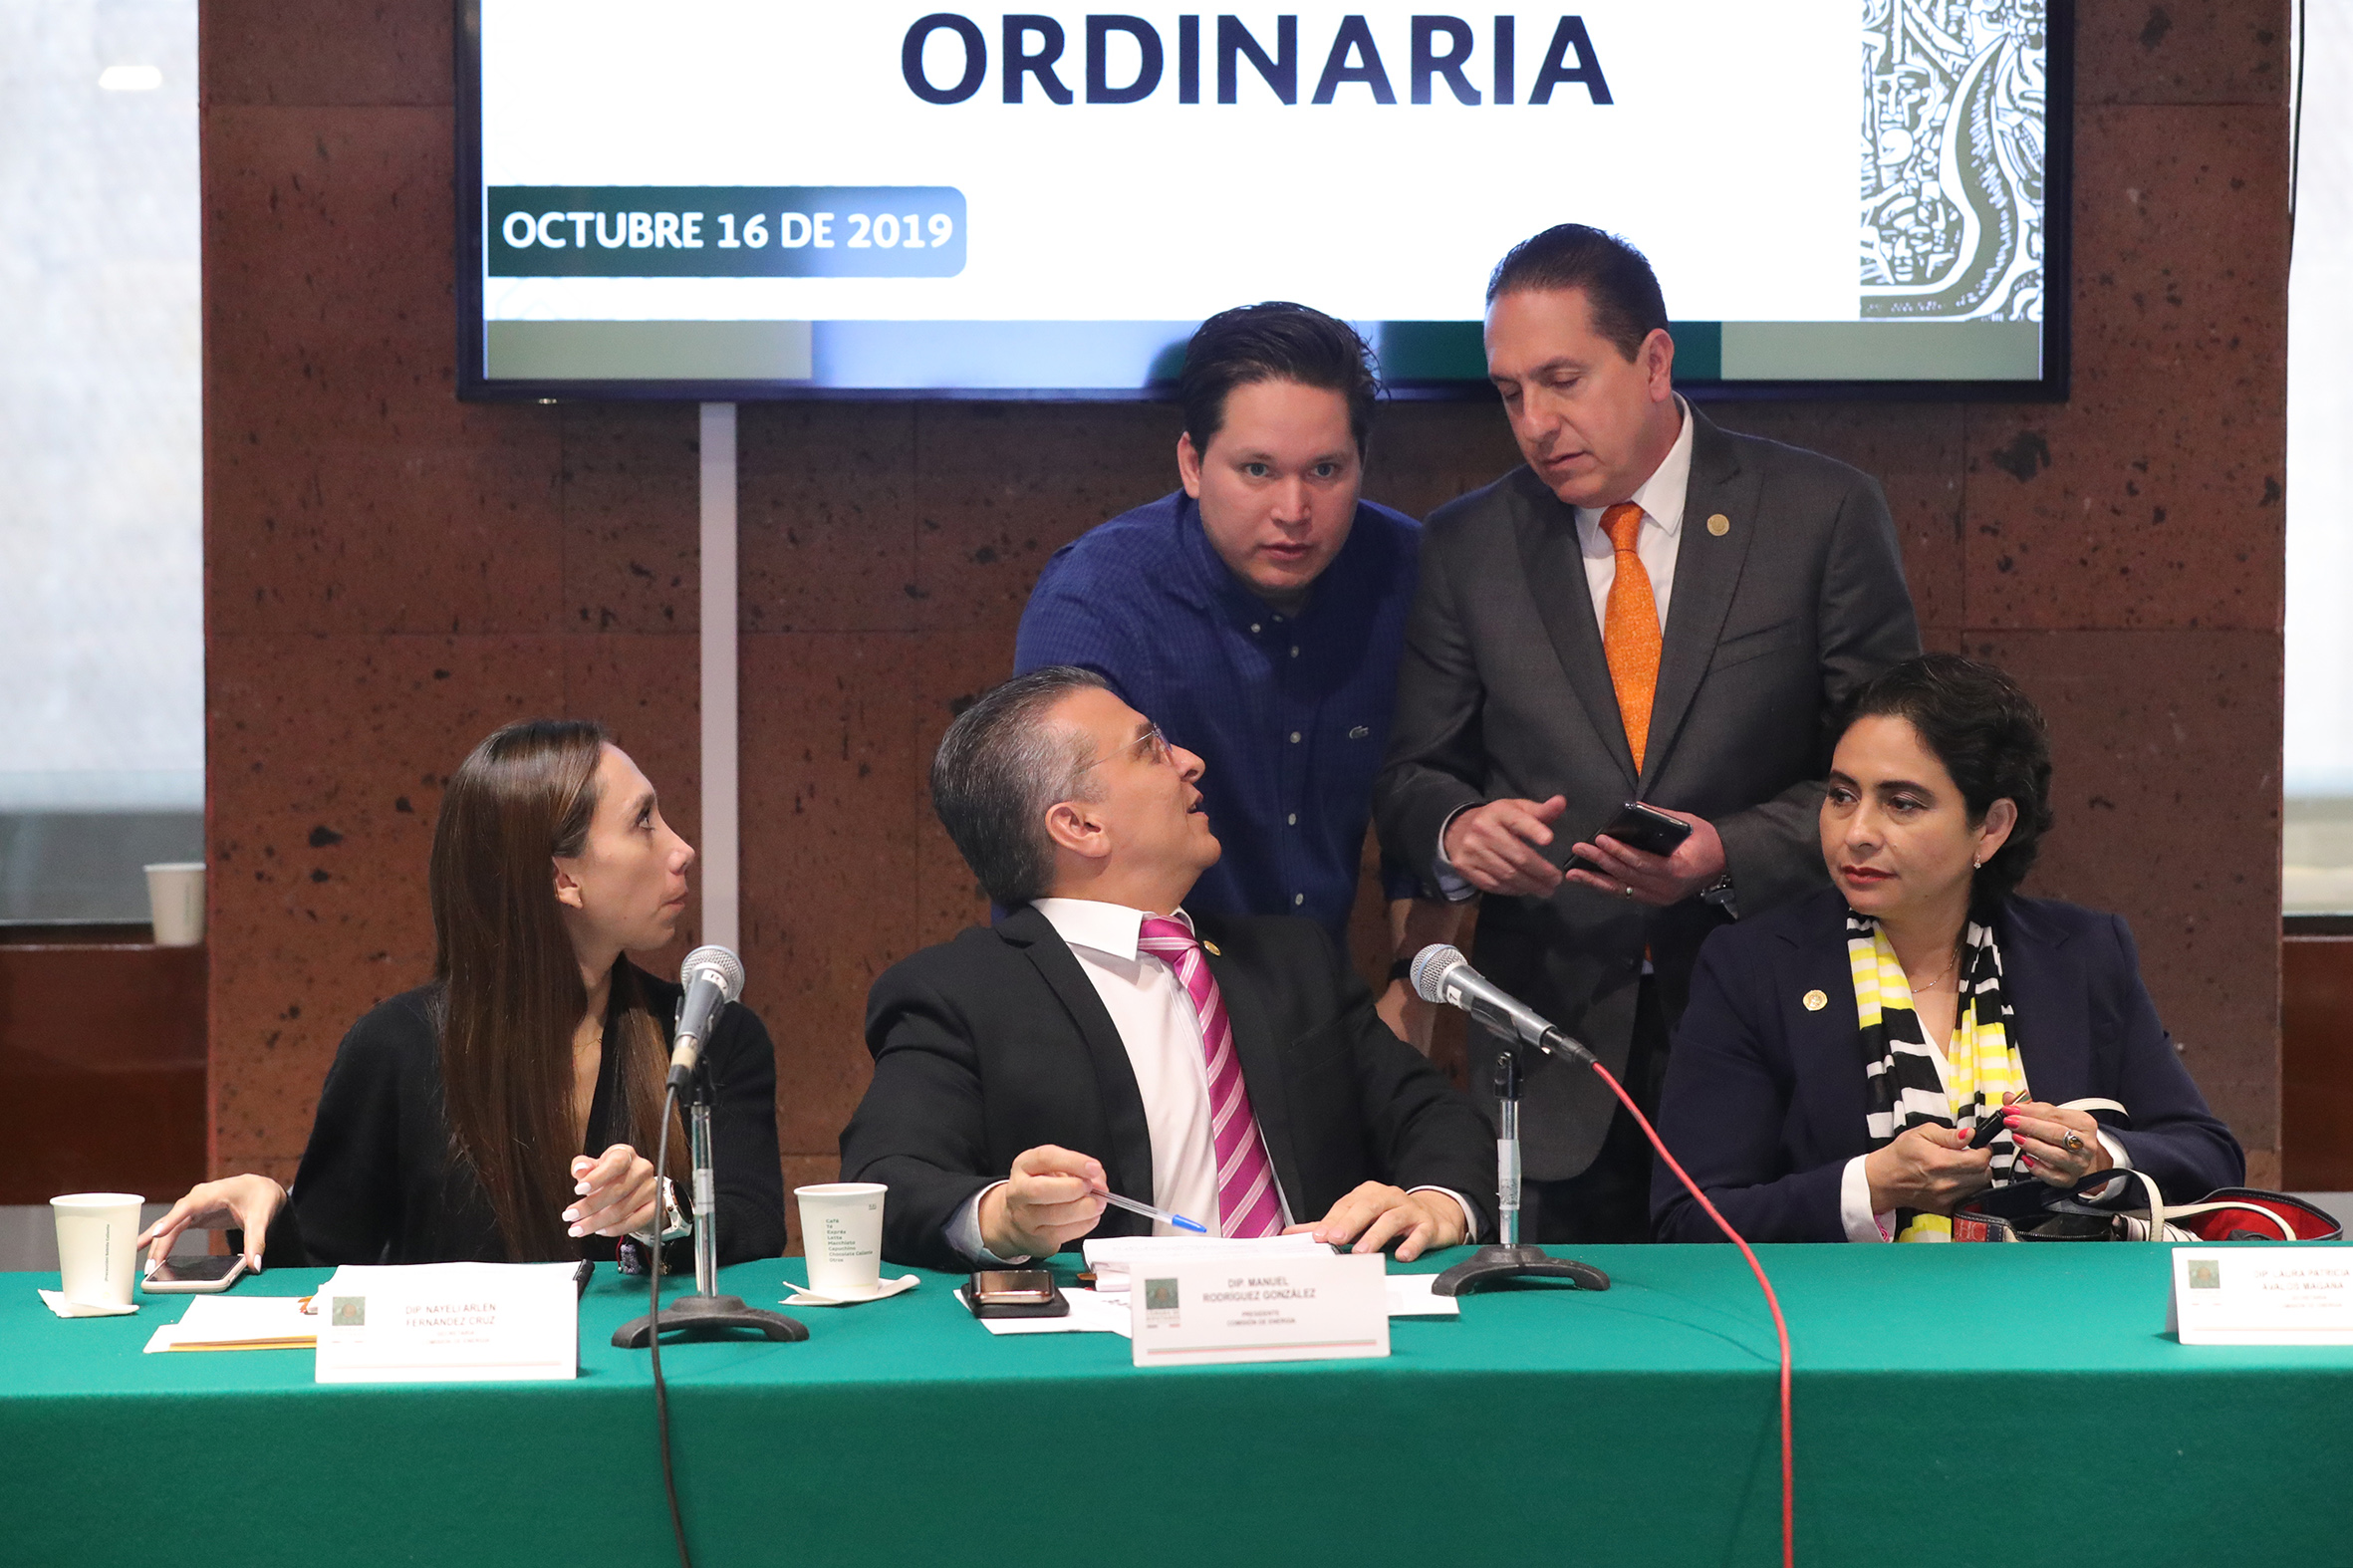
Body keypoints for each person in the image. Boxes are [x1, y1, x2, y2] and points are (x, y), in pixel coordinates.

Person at [1372, 223, 1922, 1243]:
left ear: (1655, 361)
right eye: (1509, 393)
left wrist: (1730, 854)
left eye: (1562, 380)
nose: (1536, 423)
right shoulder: (1470, 544)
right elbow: (1412, 776)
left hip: (1778, 1026)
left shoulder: (1817, 514)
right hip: (1558, 1051)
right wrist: (1459, 831)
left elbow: (1894, 782)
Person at [838, 666, 1493, 1272]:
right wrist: (1002, 1217)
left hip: (1320, 1323)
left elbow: (1433, 1115)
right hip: (1108, 1344)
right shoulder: (959, 992)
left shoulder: (1293, 962)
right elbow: (886, 1179)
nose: (1190, 760)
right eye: (1150, 748)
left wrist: (1438, 1202)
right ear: (1080, 824)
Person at [136, 719, 786, 1272]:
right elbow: (325, 1274)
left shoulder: (710, 1036)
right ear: (563, 879)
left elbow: (755, 1227)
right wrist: (271, 1209)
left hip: (647, 1376)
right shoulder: (396, 1048)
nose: (682, 849)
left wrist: (663, 1212)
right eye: (643, 821)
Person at [1652, 654, 2243, 1242]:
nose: (1857, 832)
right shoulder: (1754, 966)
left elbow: (2210, 1157)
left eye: (1902, 803)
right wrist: (1870, 1186)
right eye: (1842, 796)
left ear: (1991, 827)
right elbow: (1689, 1221)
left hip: (2053, 1299)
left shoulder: (2080, 955)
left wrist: (2100, 1158)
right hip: (1843, 1302)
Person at [1013, 303, 1450, 1042]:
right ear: (1192, 464)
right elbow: (1054, 858)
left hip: (1331, 1015)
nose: (1294, 510)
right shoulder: (1096, 598)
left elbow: (1440, 793)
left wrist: (1413, 1000)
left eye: (1325, 471)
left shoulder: (1408, 574)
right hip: (1127, 1018)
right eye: (1257, 470)